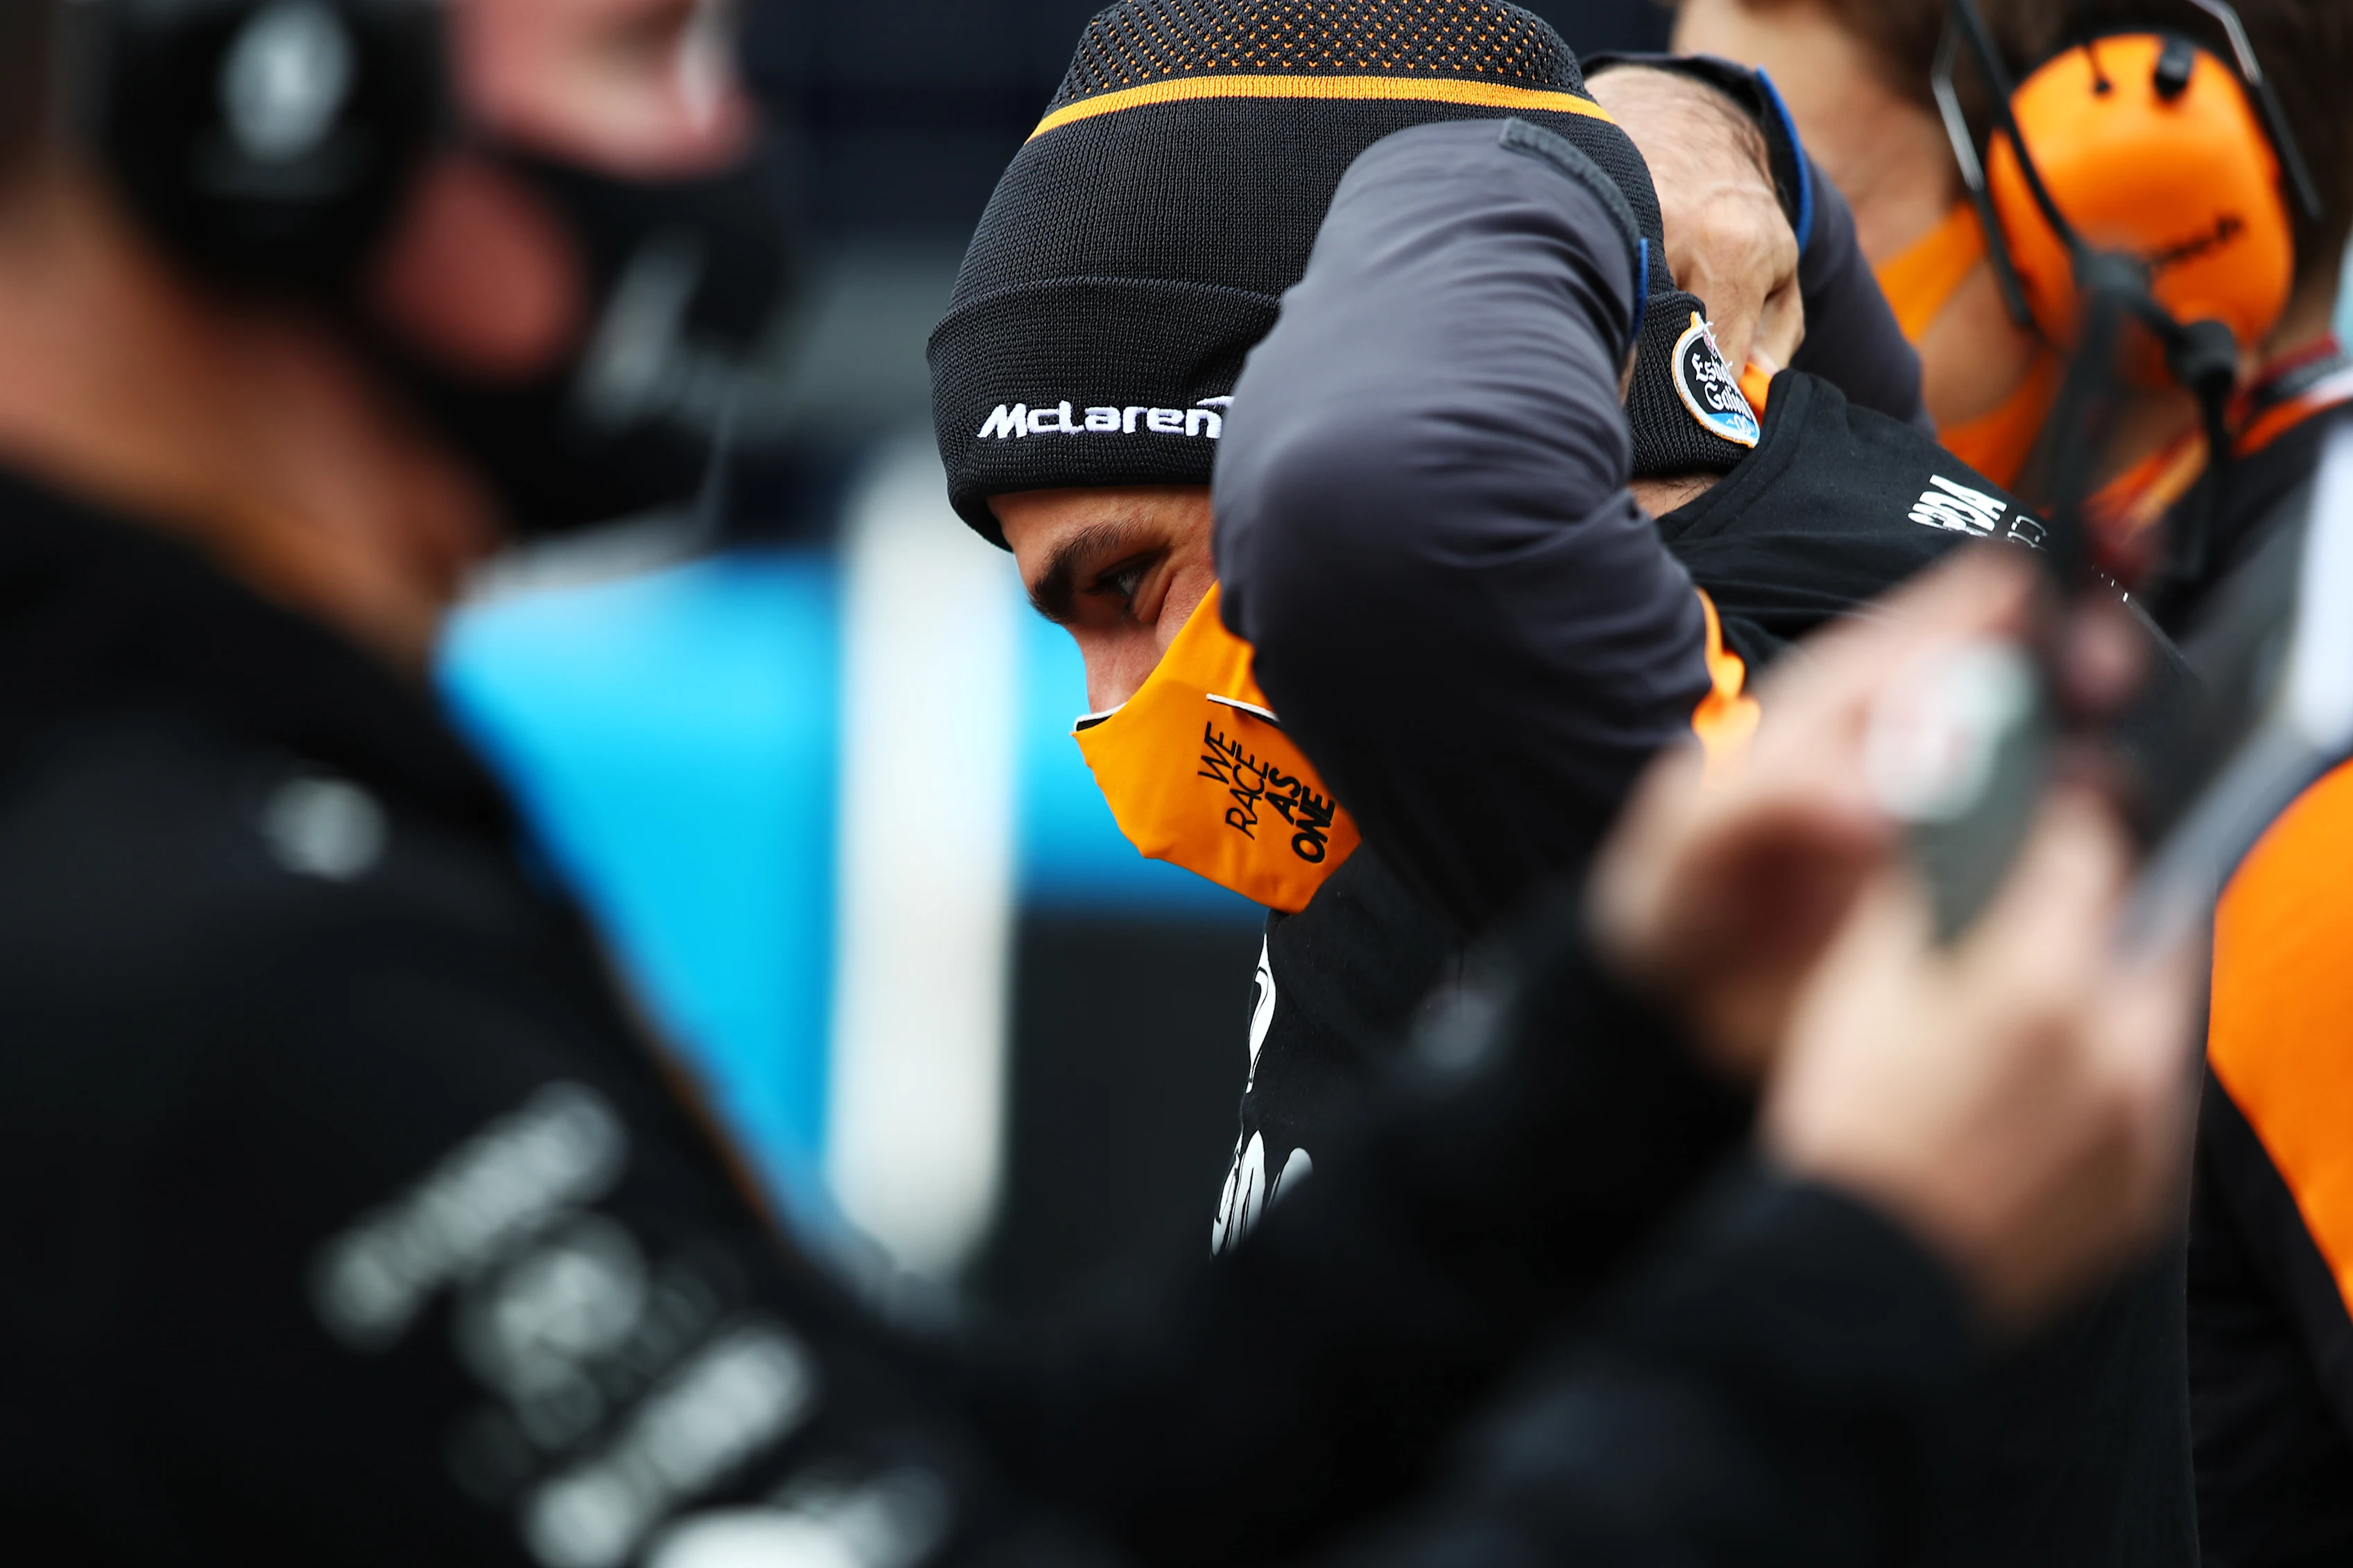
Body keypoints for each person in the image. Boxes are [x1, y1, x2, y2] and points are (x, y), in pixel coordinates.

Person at [0, 0, 2206, 1562]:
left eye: (1138, 580)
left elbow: (976, 1470)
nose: (720, 148)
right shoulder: (193, 971)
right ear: (254, 97)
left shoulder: (279, 869)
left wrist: (1616, 1049)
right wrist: (1858, 1268)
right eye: (642, 53)